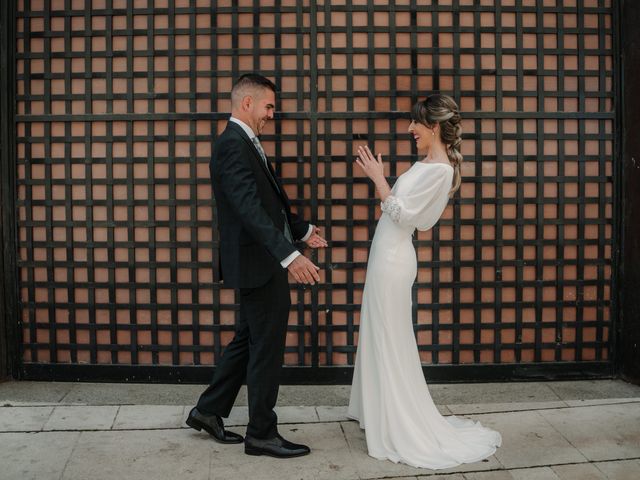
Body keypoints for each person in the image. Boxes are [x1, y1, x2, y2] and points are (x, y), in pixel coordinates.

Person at [348, 94, 502, 469]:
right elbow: (397, 208)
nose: (409, 129)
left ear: (434, 126)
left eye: (416, 123)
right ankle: (379, 410)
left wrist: (379, 181)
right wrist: (386, 187)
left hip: (395, 257)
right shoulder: (426, 164)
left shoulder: (442, 170)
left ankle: (399, 422)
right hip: (384, 253)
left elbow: (406, 218)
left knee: (391, 335)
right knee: (379, 330)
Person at [186, 74, 327, 458]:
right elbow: (248, 209)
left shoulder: (243, 141)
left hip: (259, 260)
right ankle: (261, 432)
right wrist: (290, 255)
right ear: (247, 103)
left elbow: (268, 203)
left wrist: (303, 231)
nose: (271, 114)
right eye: (269, 107)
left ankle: (209, 410)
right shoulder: (233, 144)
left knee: (249, 340)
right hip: (259, 263)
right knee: (266, 347)